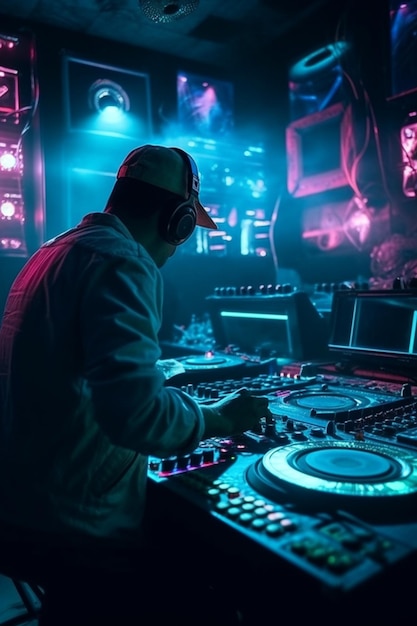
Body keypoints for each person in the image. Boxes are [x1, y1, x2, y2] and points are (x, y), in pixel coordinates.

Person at [0, 144, 271, 624]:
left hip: (23, 507)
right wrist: (220, 417)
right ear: (179, 221)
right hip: (77, 526)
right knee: (224, 593)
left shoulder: (48, 254)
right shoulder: (123, 261)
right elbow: (138, 417)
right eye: (186, 230)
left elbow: (71, 375)